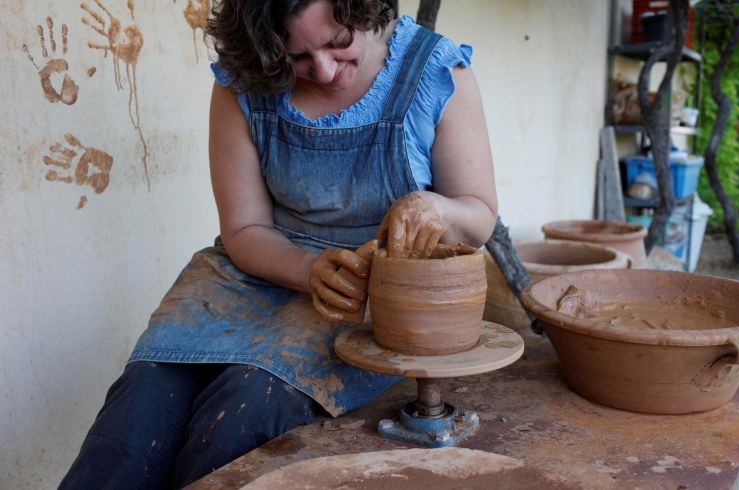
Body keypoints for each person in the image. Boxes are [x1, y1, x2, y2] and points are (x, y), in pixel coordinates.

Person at [59, 0, 497, 487]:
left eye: (337, 43)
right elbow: (245, 230)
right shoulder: (247, 79)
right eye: (298, 58)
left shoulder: (435, 72)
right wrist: (310, 270)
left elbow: (478, 216)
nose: (326, 71)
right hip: (253, 274)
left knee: (236, 418)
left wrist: (437, 209)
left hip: (367, 298)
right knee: (132, 422)